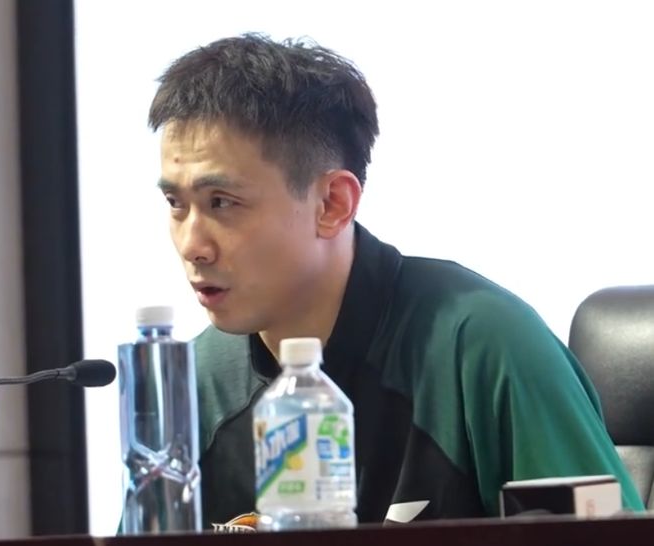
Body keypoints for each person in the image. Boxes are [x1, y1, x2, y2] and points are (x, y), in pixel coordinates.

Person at [148, 33, 644, 526]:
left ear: (332, 204)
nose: (192, 245)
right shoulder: (196, 384)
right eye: (175, 204)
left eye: (222, 203)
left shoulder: (484, 345)